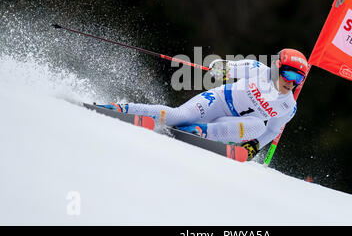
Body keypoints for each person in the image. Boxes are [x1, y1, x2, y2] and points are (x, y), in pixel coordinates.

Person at [97, 48, 307, 160]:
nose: (291, 83)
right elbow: (225, 66)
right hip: (218, 101)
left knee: (259, 126)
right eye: (289, 75)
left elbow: (271, 130)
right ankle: (122, 109)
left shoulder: (289, 107)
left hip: (233, 125)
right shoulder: (256, 69)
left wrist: (255, 145)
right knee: (178, 116)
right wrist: (220, 68)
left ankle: (198, 132)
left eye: (298, 80)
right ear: (276, 68)